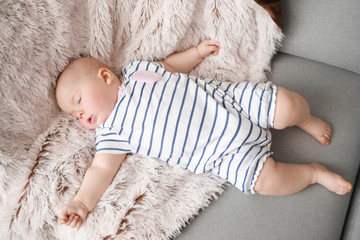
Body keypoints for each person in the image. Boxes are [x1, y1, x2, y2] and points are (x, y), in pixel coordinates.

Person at [55, 39, 352, 229]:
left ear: (105, 76)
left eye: (78, 102)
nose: (79, 115)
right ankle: (312, 173)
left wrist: (195, 53)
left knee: (287, 105)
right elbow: (101, 168)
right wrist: (82, 203)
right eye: (74, 115)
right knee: (266, 181)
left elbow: (170, 66)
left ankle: (306, 119)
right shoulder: (111, 132)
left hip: (230, 103)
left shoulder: (137, 73)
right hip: (223, 156)